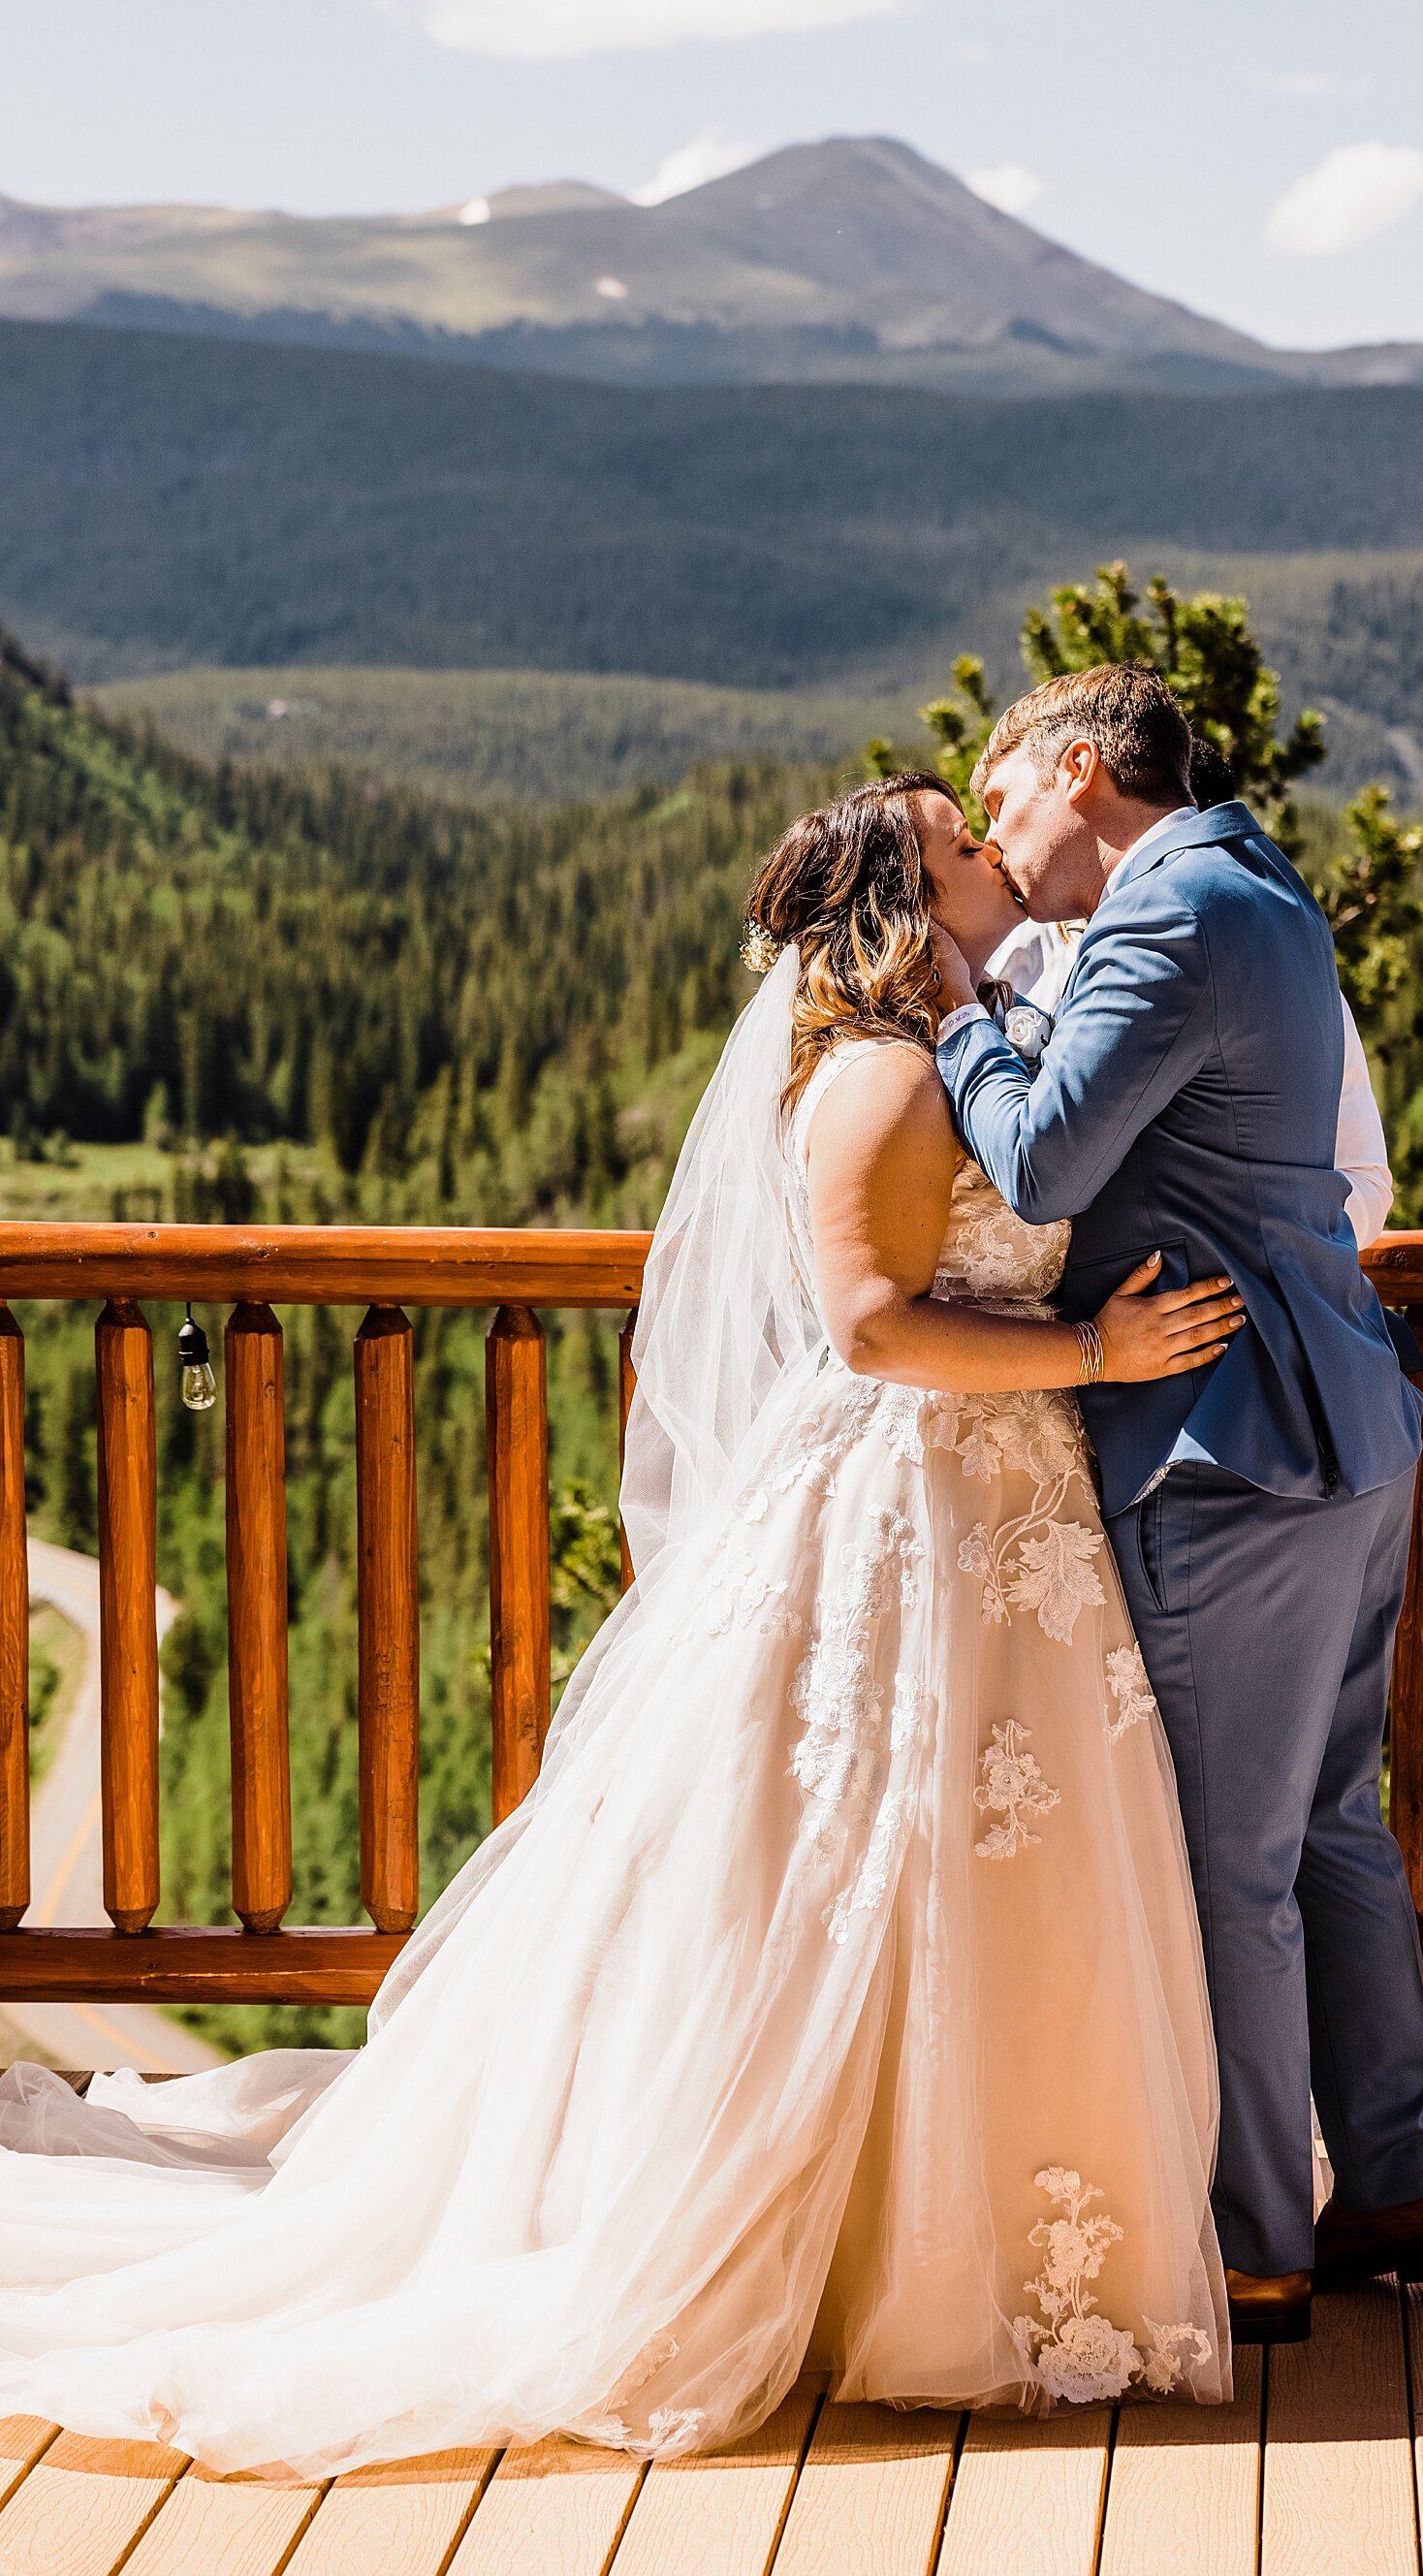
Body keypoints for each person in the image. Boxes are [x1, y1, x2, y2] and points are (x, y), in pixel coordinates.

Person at [0, 772, 1234, 2476]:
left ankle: (964, 2246)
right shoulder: (877, 1072)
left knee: (986, 1879)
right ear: (903, 896)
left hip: (1008, 1519)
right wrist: (1098, 1357)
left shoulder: (961, 1046)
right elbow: (876, 1329)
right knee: (850, 1872)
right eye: (959, 844)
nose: (992, 856)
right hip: (913, 1505)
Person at [932, 669, 1423, 2346]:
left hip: (1230, 1453)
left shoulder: (1166, 916)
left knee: (1228, 1858)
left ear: (1080, 766)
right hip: (1344, 1426)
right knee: (1323, 1822)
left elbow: (1037, 1164)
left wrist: (958, 1001)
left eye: (1002, 794)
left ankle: (1256, 2238)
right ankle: (1397, 2174)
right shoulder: (1255, 883)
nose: (997, 834)